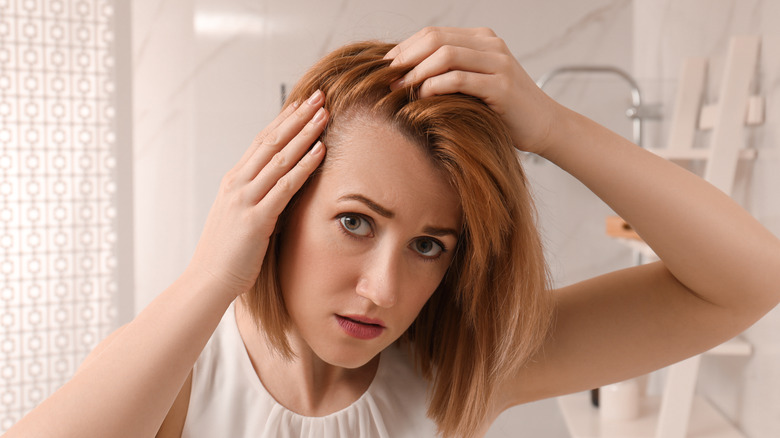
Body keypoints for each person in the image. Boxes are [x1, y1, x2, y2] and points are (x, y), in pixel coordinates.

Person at [6, 27, 780, 438]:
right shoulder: (181, 375)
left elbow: (749, 281)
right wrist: (213, 275)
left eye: (429, 245)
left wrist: (553, 127)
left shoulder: (459, 378)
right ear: (281, 204)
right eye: (355, 222)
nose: (383, 289)